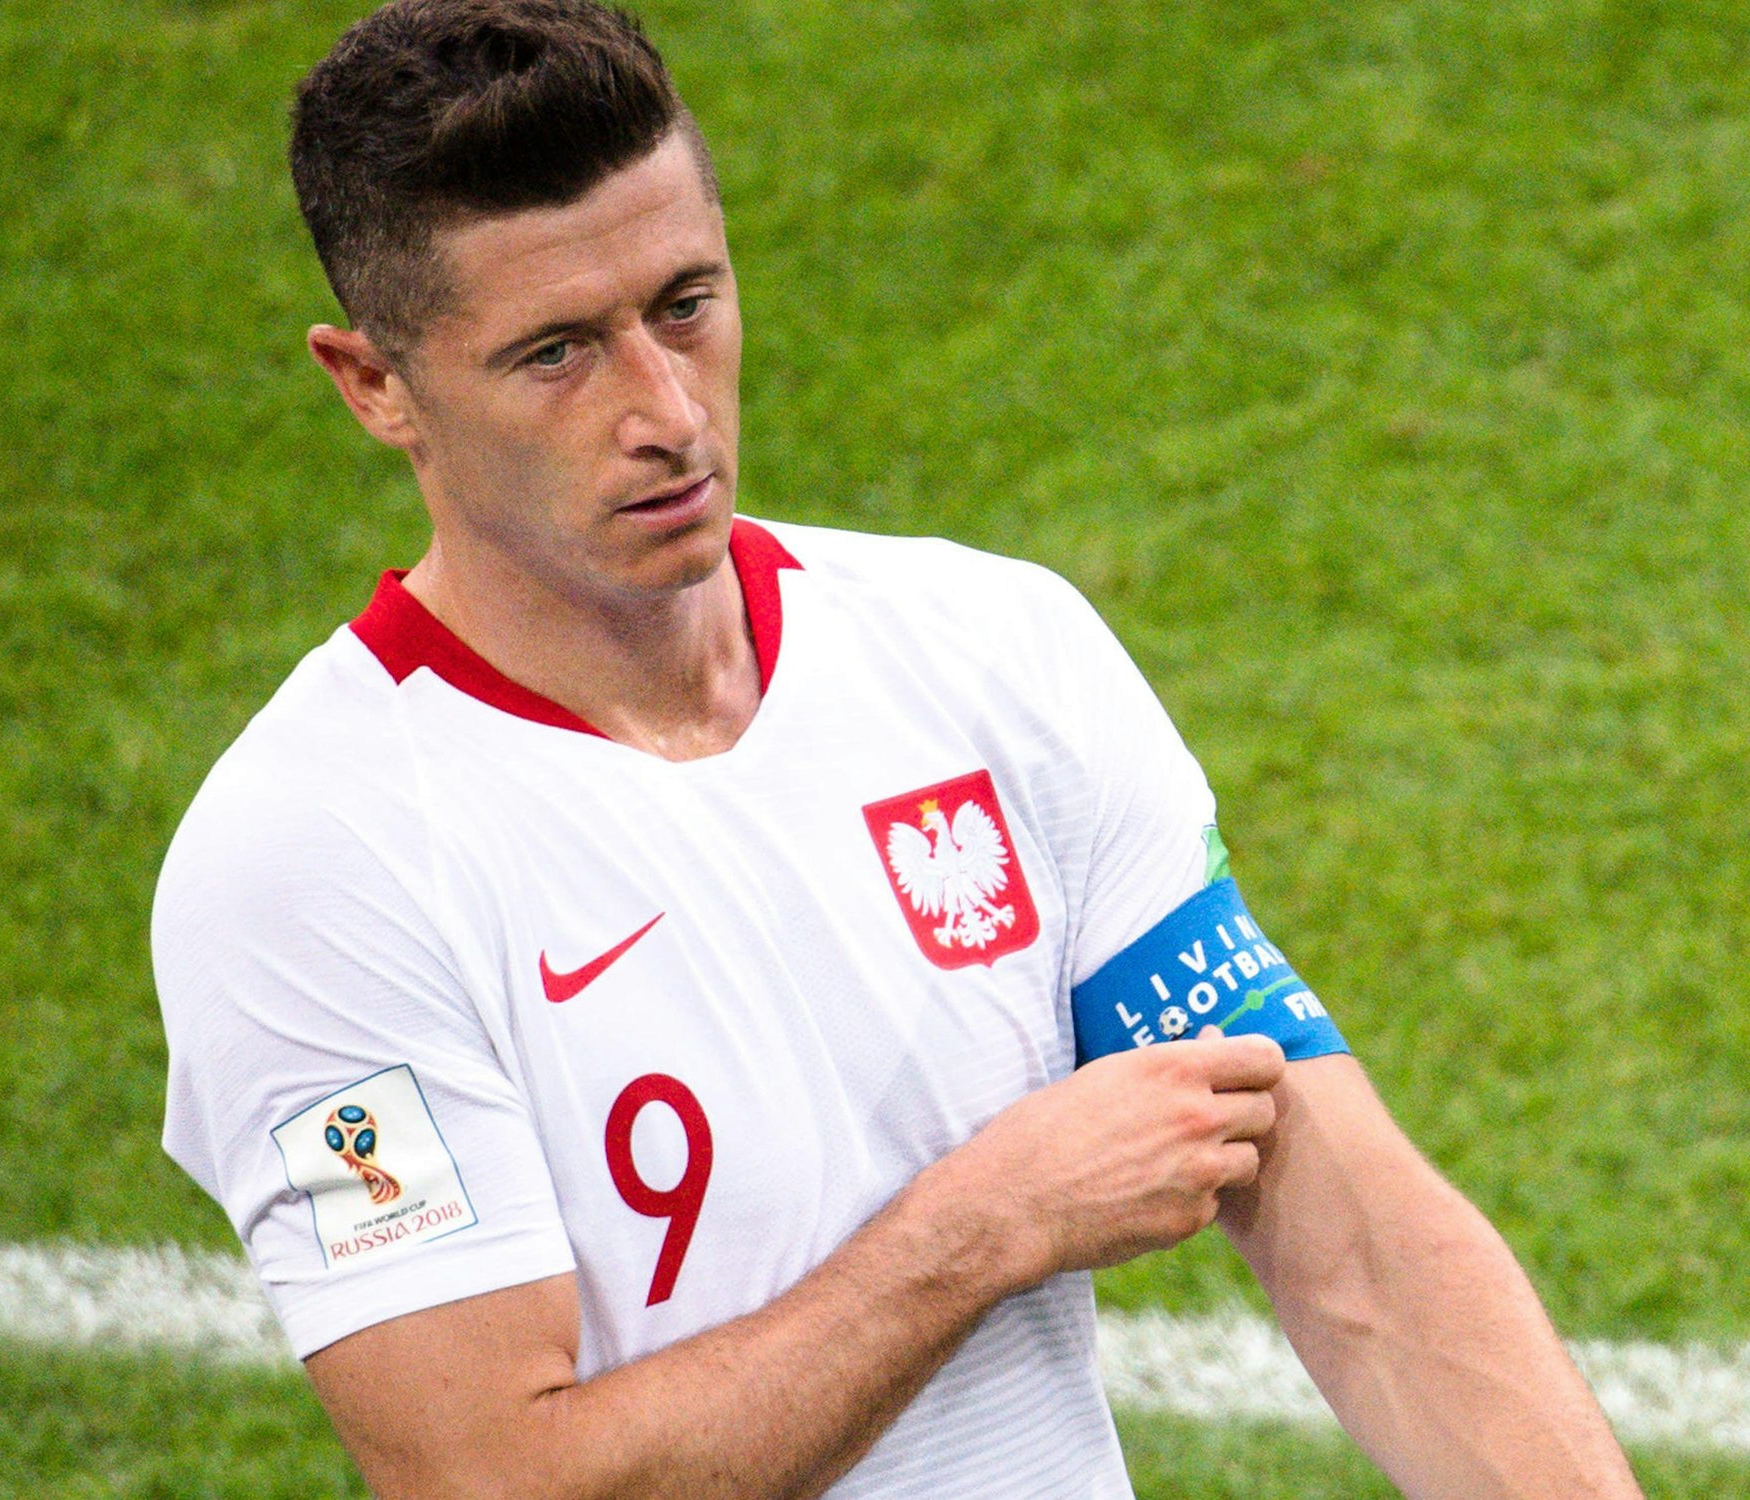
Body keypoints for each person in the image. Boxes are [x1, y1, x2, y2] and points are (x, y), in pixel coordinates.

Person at [151, 2, 1643, 1495]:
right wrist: (981, 1227)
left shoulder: (992, 652)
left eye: (685, 304)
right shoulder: (310, 862)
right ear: (374, 384)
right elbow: (495, 1482)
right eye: (555, 355)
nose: (666, 414)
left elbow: (1363, 1253)